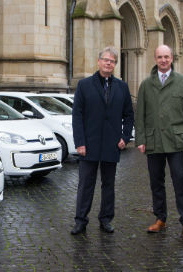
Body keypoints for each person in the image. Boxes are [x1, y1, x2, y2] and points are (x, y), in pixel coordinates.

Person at [134, 45, 183, 239]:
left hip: (176, 141)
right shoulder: (146, 84)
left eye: (167, 57)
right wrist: (140, 139)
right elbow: (141, 116)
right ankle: (160, 218)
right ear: (155, 59)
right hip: (154, 141)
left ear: (172, 58)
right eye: (160, 57)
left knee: (180, 180)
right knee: (156, 182)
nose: (163, 60)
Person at [70, 46, 134, 235]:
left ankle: (106, 219)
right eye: (106, 60)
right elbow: (77, 116)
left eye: (112, 61)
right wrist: (79, 142)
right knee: (85, 185)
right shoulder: (84, 85)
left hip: (111, 144)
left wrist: (125, 137)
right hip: (88, 145)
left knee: (109, 185)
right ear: (98, 62)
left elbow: (129, 115)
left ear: (115, 64)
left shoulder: (122, 87)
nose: (108, 63)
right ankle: (80, 220)